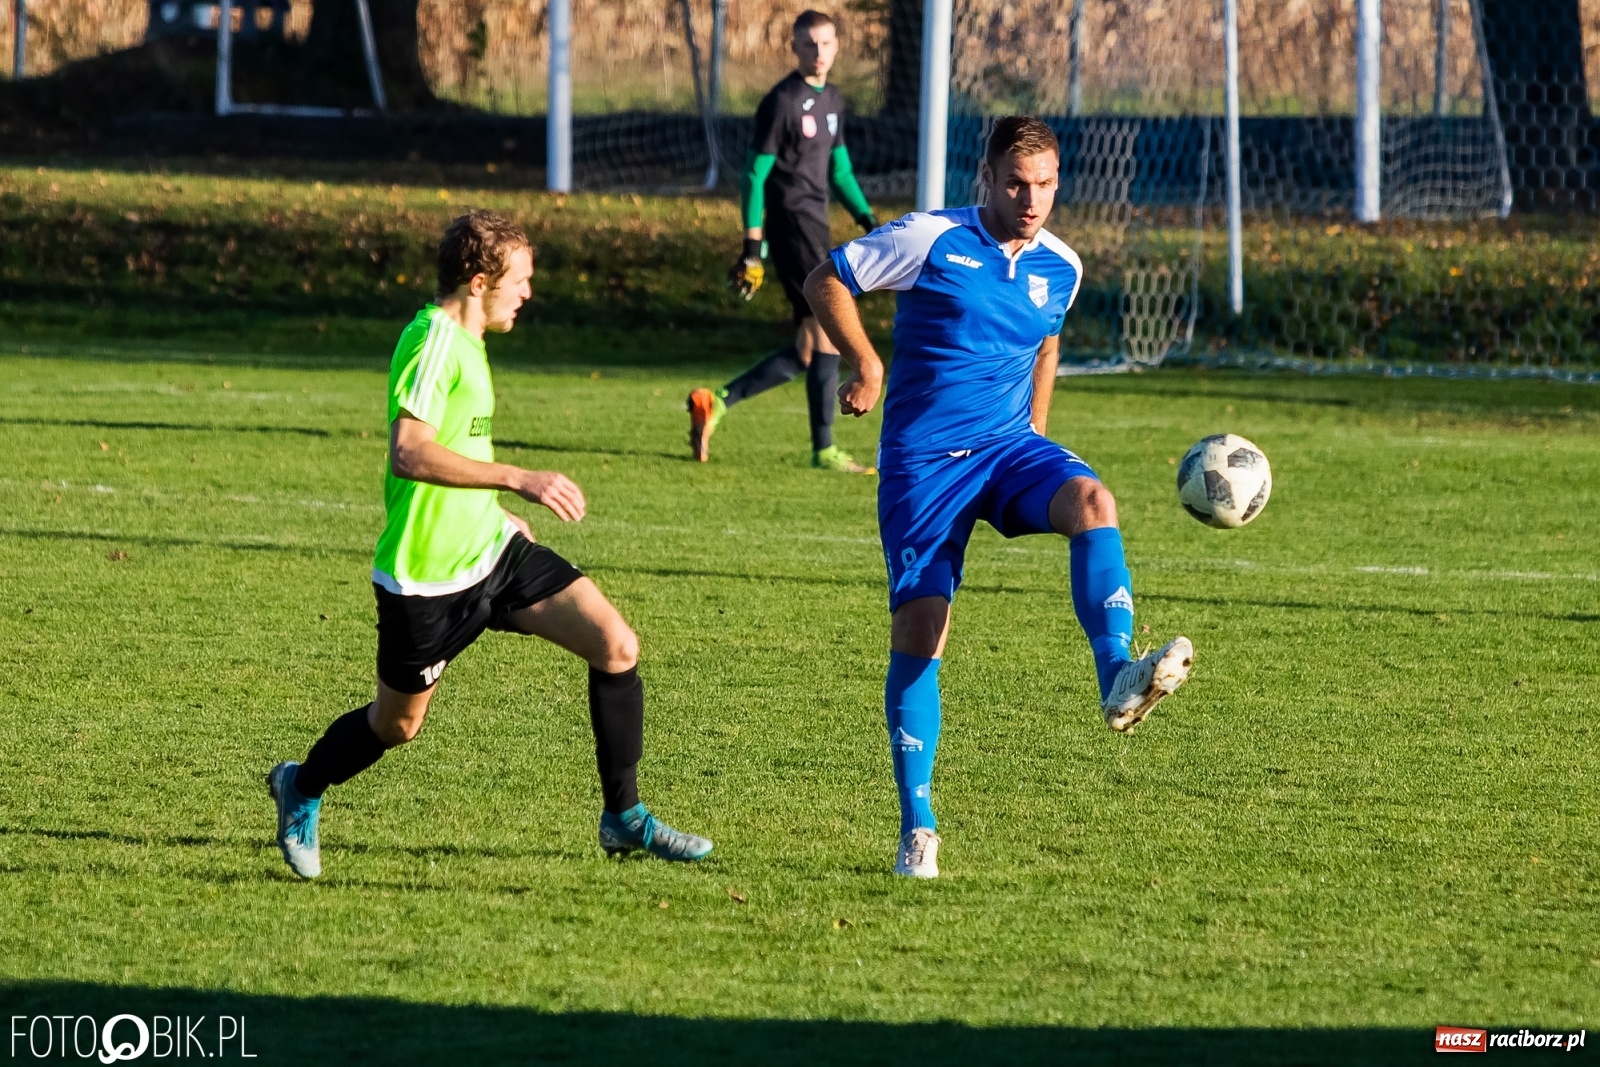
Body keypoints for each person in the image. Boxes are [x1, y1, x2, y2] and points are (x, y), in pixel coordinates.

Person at [267, 210, 712, 880]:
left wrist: (496, 511)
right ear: (479, 282)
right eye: (520, 280)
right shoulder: (434, 342)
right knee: (396, 725)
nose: (528, 292)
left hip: (492, 551)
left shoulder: (472, 342)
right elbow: (410, 452)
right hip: (425, 578)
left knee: (616, 644)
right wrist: (518, 479)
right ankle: (300, 786)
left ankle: (623, 816)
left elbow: (460, 448)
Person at [803, 117, 1194, 880]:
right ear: (985, 178)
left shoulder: (1062, 266)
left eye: (1044, 184)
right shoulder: (930, 238)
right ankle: (918, 827)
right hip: (925, 464)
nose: (1031, 199)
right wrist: (866, 362)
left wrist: (1037, 432)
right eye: (1016, 183)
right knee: (923, 631)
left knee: (1092, 500)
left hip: (1009, 449)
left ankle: (1117, 673)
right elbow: (828, 277)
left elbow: (1047, 342)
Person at [685, 8, 877, 473]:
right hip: (792, 223)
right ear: (794, 47)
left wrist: (867, 219)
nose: (818, 52)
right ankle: (824, 449)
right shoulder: (782, 102)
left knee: (809, 348)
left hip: (816, 223)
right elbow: (754, 175)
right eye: (809, 44)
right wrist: (753, 246)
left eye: (826, 43)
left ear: (837, 46)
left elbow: (840, 169)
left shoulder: (833, 100)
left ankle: (716, 401)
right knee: (829, 330)